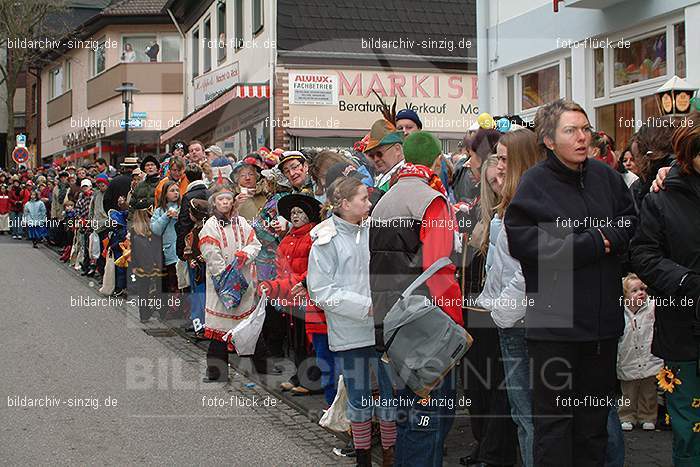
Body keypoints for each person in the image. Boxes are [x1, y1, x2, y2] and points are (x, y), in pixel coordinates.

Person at [505, 99, 636, 467]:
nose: (583, 138)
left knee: (594, 427)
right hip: (555, 325)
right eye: (571, 131)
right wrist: (593, 242)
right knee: (555, 426)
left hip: (601, 326)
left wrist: (607, 238)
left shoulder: (605, 177)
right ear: (548, 140)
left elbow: (630, 221)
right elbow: (524, 243)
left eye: (585, 129)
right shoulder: (535, 184)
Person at [370, 130, 462, 467]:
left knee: (411, 417)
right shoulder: (431, 201)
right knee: (429, 419)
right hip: (426, 327)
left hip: (391, 323)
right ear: (437, 160)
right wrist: (456, 327)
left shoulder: (385, 199)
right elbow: (439, 272)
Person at [308, 176, 396, 467]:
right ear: (345, 204)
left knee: (388, 395)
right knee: (359, 398)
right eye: (364, 199)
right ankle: (362, 458)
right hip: (351, 332)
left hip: (382, 330)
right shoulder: (325, 237)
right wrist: (368, 308)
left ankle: (388, 455)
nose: (370, 204)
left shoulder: (374, 229)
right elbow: (322, 290)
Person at [630, 111, 700, 466]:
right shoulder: (662, 196)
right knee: (689, 429)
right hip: (684, 330)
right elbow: (642, 253)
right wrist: (684, 280)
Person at [475, 128, 541, 467]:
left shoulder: (529, 207)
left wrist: (501, 312)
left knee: (529, 419)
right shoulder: (509, 207)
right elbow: (500, 269)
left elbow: (528, 270)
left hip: (523, 324)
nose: (498, 166)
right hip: (511, 322)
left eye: (503, 158)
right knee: (523, 417)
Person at [258, 194, 334, 399]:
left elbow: (313, 268)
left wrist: (296, 283)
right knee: (295, 339)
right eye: (292, 213)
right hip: (289, 295)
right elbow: (279, 265)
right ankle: (300, 375)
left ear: (309, 215)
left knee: (309, 340)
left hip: (306, 294)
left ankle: (312, 379)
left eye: (299, 212)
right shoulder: (288, 238)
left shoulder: (313, 236)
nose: (295, 216)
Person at [200, 187, 262, 382]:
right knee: (220, 331)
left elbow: (255, 244)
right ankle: (217, 372)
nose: (225, 203)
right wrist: (225, 278)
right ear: (214, 202)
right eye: (221, 199)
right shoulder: (209, 227)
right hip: (222, 286)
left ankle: (262, 366)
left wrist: (246, 254)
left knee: (250, 327)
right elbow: (211, 255)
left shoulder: (242, 222)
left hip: (244, 284)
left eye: (228, 199)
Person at [617, 273, 662, 431]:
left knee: (649, 392)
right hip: (628, 359)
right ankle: (626, 416)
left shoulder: (651, 308)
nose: (640, 293)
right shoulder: (620, 314)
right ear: (625, 296)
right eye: (634, 290)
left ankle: (647, 416)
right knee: (628, 393)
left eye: (642, 289)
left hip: (649, 358)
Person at [176, 164, 209, 329]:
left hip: (193, 248)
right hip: (208, 246)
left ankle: (198, 323)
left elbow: (183, 223)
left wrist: (180, 249)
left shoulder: (189, 196)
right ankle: (206, 321)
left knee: (196, 286)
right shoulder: (210, 193)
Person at [150, 180, 181, 320]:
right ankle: (167, 308)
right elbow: (155, 230)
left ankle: (177, 309)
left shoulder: (182, 207)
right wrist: (166, 216)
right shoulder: (159, 211)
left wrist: (178, 218)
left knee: (178, 282)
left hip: (180, 252)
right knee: (168, 282)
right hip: (167, 252)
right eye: (172, 190)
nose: (176, 193)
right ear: (165, 194)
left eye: (177, 190)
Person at [364, 118, 405, 193]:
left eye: (379, 153)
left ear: (397, 149)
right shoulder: (385, 177)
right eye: (372, 155)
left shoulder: (404, 176)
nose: (376, 159)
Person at [89, 174, 110, 279]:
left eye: (103, 184)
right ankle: (99, 270)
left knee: (104, 251)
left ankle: (104, 274)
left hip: (106, 226)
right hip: (96, 225)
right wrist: (91, 220)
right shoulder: (96, 194)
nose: (101, 186)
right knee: (96, 250)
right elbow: (92, 209)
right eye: (99, 185)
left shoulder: (109, 194)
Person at [128, 155, 161, 222]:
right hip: (141, 222)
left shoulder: (162, 184)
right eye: (147, 165)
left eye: (152, 165)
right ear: (144, 169)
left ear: (157, 168)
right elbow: (132, 205)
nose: (150, 167)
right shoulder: (139, 186)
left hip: (158, 222)